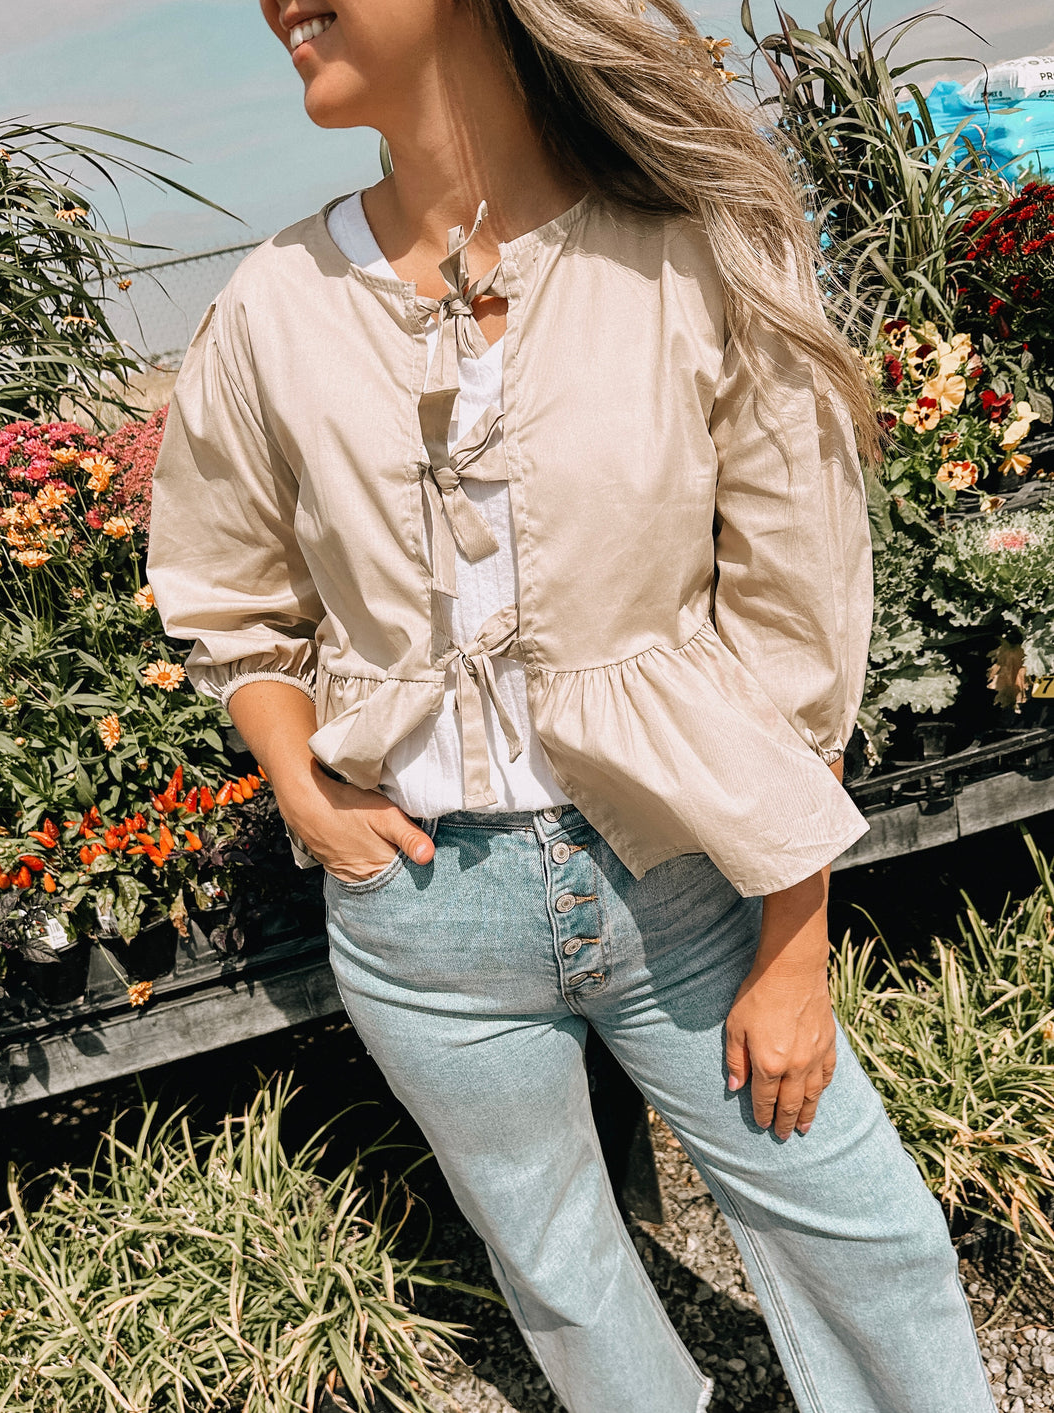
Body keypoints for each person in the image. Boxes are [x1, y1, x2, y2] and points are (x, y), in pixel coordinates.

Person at [145, 0, 997, 1409]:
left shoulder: (692, 249)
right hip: (425, 927)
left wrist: (797, 946)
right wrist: (302, 789)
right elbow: (231, 594)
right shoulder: (273, 308)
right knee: (566, 1281)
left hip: (679, 883)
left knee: (875, 1243)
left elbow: (796, 618)